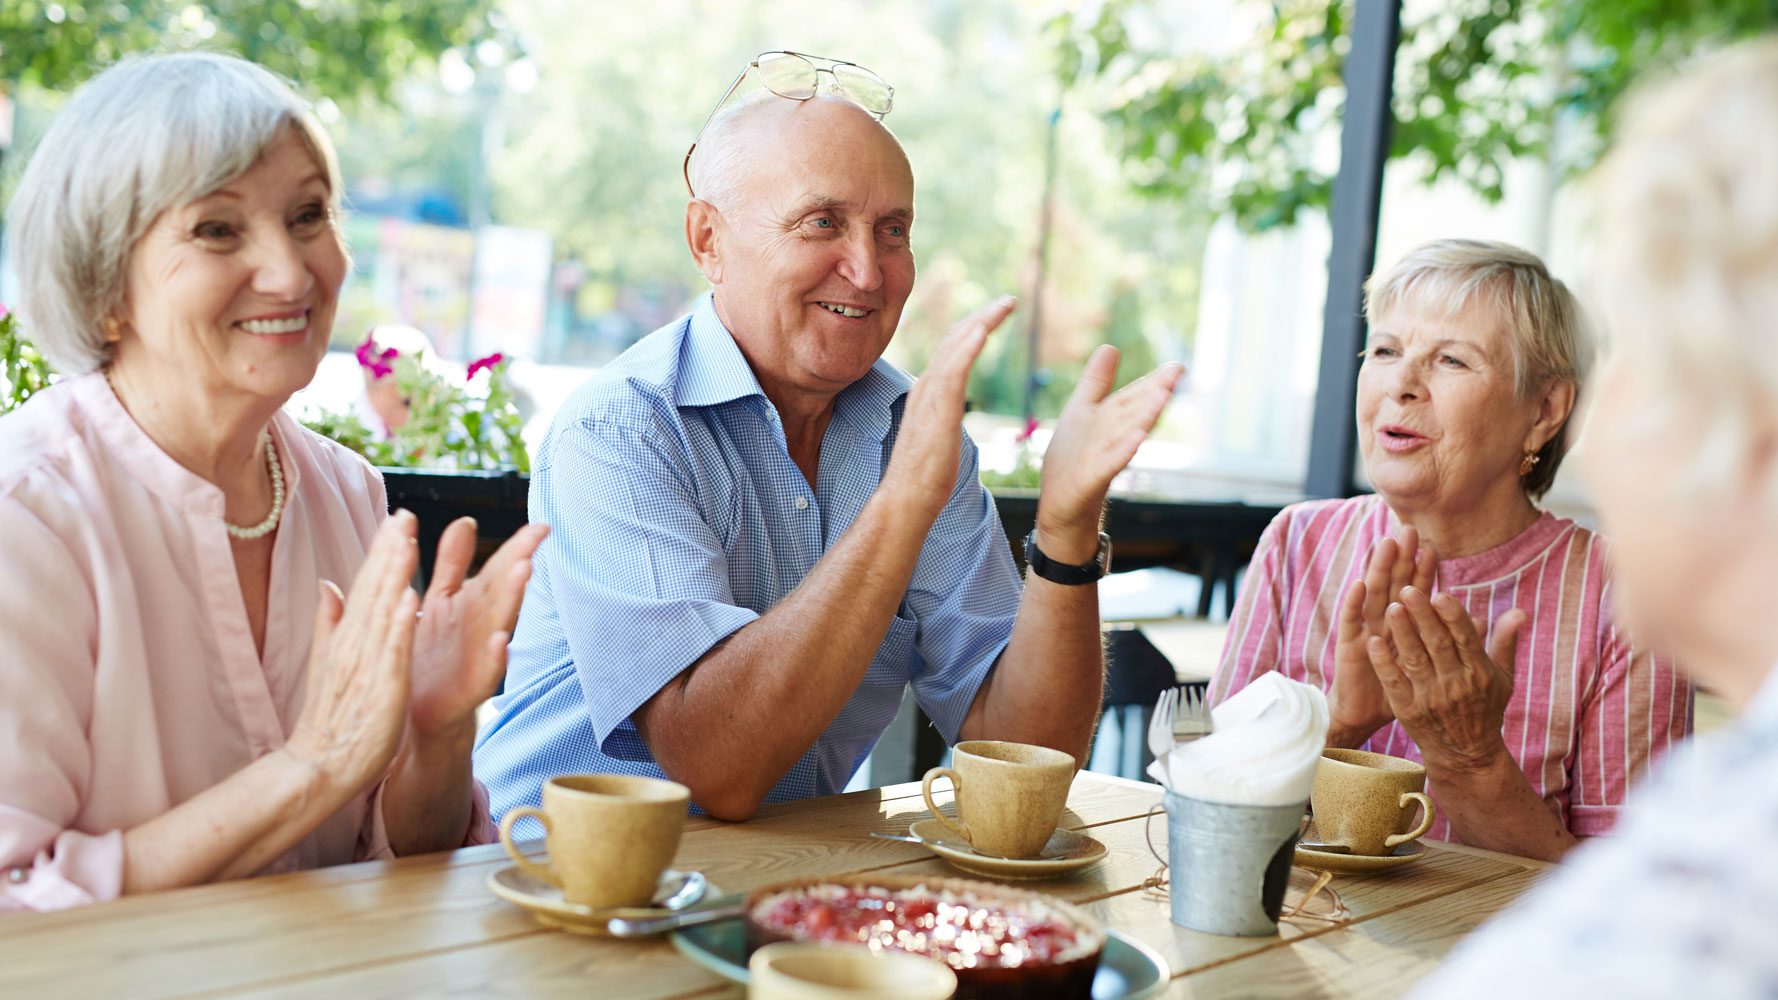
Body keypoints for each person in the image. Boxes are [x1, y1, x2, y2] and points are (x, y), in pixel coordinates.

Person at [475, 57, 1184, 823]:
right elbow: (715, 765)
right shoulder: (620, 427)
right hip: (543, 883)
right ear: (708, 240)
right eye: (822, 222)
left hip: (775, 886)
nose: (869, 272)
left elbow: (1025, 751)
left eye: (894, 232)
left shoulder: (910, 432)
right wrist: (904, 502)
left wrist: (1067, 534)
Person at [0, 53, 546, 911]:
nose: (291, 275)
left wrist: (437, 738)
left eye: (308, 216)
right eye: (217, 230)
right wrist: (312, 766)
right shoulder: (24, 515)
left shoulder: (349, 495)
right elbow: (14, 906)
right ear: (106, 287)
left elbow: (402, 858)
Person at [1415, 40, 1778, 996]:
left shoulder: (1722, 880)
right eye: (1383, 350)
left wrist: (1470, 764)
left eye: (1642, 361)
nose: (1604, 442)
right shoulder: (1729, 802)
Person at [1208, 238, 1690, 861]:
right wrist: (1340, 724)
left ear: (1545, 410)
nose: (1401, 384)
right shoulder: (1300, 541)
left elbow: (1637, 894)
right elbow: (1206, 810)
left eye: (1452, 361)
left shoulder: (1627, 592)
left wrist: (1470, 759)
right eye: (1385, 350)